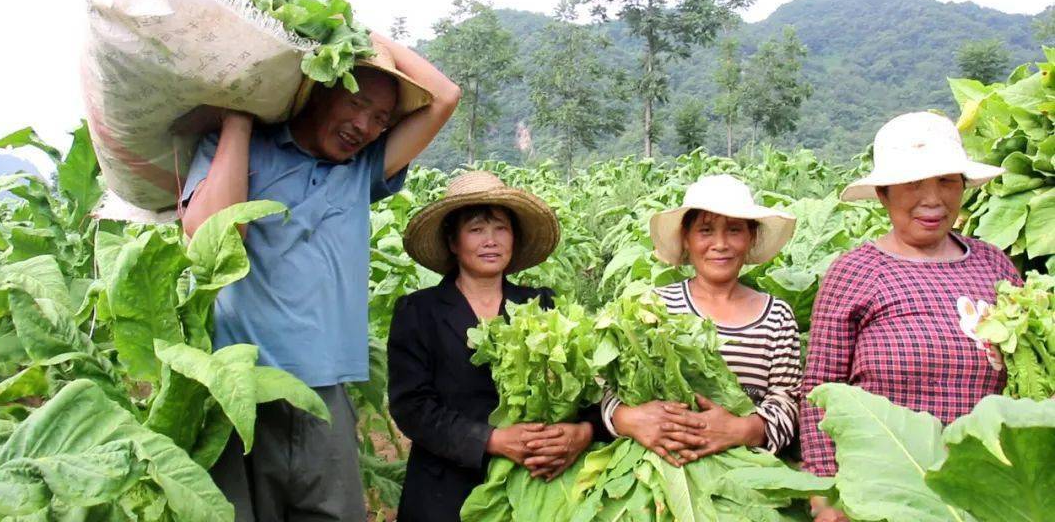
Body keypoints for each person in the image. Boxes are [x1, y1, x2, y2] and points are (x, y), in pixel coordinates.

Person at [179, 33, 461, 521]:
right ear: (316, 92)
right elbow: (213, 234)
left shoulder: (362, 171)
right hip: (240, 391)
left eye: (381, 119)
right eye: (357, 104)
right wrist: (241, 116)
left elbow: (445, 98)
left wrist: (362, 34)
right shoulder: (240, 150)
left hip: (323, 397)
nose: (365, 126)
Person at [799, 112, 1022, 522]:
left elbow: (1027, 376)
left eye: (946, 181)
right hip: (886, 490)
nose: (933, 199)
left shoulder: (996, 266)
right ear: (884, 193)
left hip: (989, 488)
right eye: (913, 183)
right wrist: (826, 493)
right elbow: (818, 390)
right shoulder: (855, 273)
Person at [388, 171, 606, 522]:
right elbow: (412, 407)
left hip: (536, 483)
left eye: (500, 228)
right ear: (453, 241)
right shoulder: (419, 311)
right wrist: (492, 440)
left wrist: (579, 432)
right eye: (476, 229)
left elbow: (585, 389)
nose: (490, 240)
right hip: (446, 489)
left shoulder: (543, 305)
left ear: (514, 238)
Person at [600, 174, 803, 465]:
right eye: (705, 231)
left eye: (734, 230)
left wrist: (741, 429)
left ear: (751, 237)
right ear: (686, 239)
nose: (720, 244)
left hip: (750, 471)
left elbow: (787, 400)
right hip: (662, 466)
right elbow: (611, 389)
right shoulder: (655, 307)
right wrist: (630, 419)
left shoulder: (777, 316)